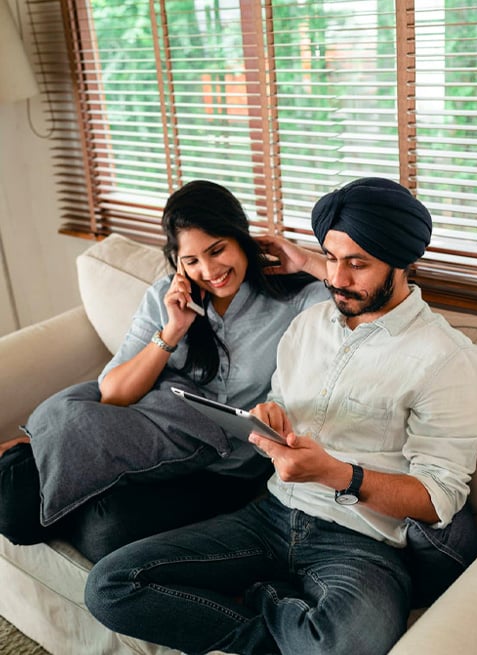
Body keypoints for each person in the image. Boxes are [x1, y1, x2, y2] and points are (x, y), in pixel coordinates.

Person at [84, 177, 477, 655]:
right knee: (110, 585)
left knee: (343, 645)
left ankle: (268, 599)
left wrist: (339, 474)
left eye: (357, 264)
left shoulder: (449, 358)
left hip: (361, 541)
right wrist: (268, 418)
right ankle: (282, 627)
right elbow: (279, 400)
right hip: (271, 514)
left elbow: (440, 496)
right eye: (332, 258)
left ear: (402, 262)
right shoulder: (309, 323)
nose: (337, 278)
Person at [0, 180, 329, 563]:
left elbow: (366, 294)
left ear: (242, 238)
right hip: (150, 439)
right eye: (191, 261)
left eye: (217, 250)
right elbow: (114, 393)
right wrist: (172, 331)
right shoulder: (166, 296)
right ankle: (48, 471)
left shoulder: (294, 299)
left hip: (225, 470)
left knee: (107, 532)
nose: (209, 270)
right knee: (11, 502)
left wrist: (306, 260)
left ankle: (67, 484)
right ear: (177, 262)